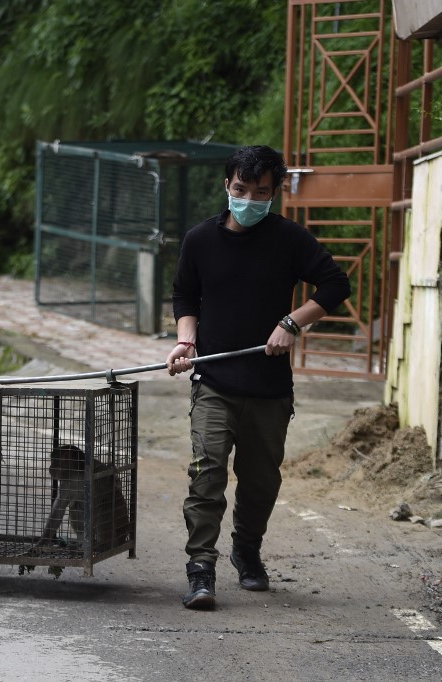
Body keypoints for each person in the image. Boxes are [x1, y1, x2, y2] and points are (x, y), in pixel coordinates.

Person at [165, 145, 350, 609]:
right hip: (213, 381)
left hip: (268, 387)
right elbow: (185, 296)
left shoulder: (289, 239)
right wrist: (187, 343)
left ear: (275, 193)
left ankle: (247, 551)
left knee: (260, 480)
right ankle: (200, 567)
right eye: (241, 189)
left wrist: (293, 323)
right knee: (207, 473)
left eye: (261, 191)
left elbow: (335, 285)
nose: (249, 199)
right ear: (227, 186)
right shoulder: (199, 240)